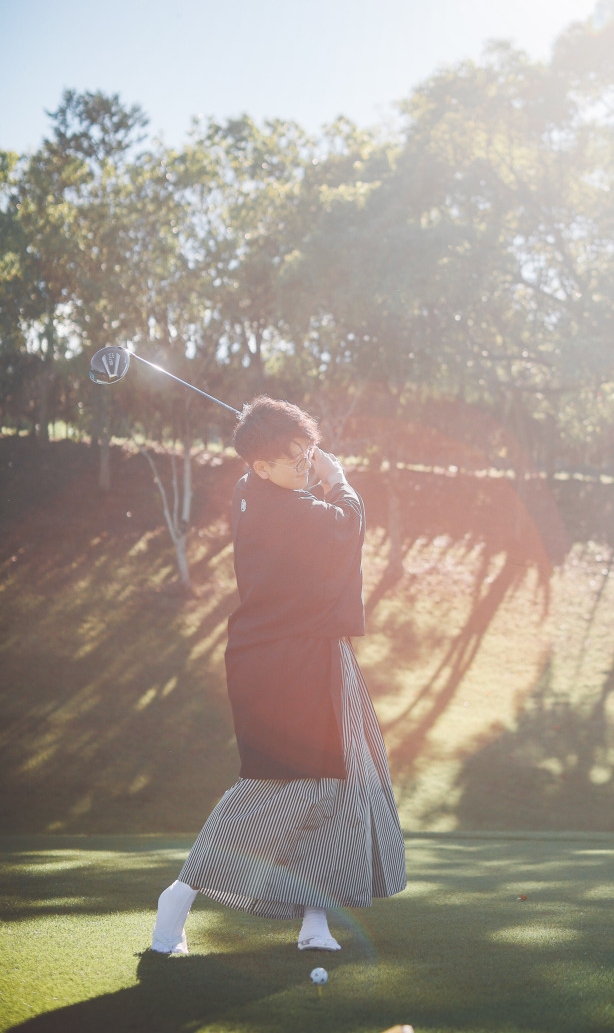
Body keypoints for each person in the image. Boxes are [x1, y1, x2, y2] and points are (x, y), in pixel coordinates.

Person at [151, 396, 406, 955]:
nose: (307, 462)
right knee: (273, 790)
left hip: (285, 657)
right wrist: (337, 479)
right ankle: (181, 893)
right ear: (259, 466)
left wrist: (301, 461)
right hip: (298, 663)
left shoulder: (251, 492)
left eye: (309, 449)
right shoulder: (290, 509)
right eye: (294, 458)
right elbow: (347, 528)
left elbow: (314, 524)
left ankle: (315, 921)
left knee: (339, 784)